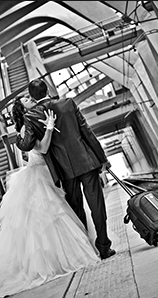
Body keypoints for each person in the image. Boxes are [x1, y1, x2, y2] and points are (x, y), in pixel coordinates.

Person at [0, 96, 100, 298]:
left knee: (59, 216)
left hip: (48, 173)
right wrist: (51, 128)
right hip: (39, 175)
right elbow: (42, 149)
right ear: (22, 109)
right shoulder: (25, 130)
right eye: (26, 99)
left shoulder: (33, 121)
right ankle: (56, 260)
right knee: (49, 219)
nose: (30, 98)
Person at [15, 78, 116, 260]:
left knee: (76, 208)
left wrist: (18, 138)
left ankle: (86, 248)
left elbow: (27, 144)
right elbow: (87, 132)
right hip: (86, 161)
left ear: (32, 96)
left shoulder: (30, 117)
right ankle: (103, 246)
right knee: (97, 205)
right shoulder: (68, 103)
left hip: (63, 170)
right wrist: (102, 158)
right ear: (47, 90)